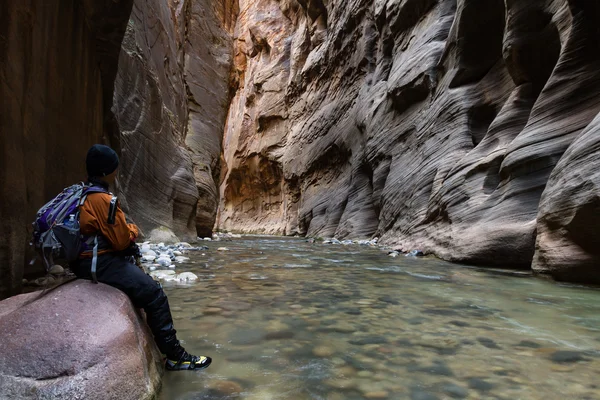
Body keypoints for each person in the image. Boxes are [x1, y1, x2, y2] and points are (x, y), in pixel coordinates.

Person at [71, 144, 211, 371]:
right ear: (107, 171)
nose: (117, 172)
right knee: (156, 295)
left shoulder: (81, 192)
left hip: (82, 261)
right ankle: (176, 357)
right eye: (114, 168)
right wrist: (133, 230)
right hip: (100, 263)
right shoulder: (103, 200)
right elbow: (121, 241)